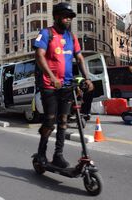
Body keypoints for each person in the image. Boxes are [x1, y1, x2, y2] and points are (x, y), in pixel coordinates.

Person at [33, 2, 94, 168]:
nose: (68, 20)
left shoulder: (71, 37)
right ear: (56, 17)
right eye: (65, 16)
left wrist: (87, 78)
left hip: (66, 86)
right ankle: (41, 152)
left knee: (64, 121)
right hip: (49, 86)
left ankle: (58, 155)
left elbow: (80, 58)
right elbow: (39, 56)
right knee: (50, 122)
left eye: (70, 17)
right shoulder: (46, 33)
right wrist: (52, 77)